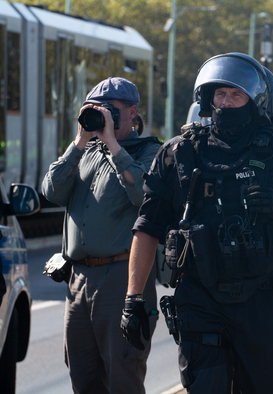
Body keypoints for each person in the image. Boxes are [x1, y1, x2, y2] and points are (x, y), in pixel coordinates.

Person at [120, 53, 273, 393]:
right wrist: (133, 298)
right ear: (207, 99)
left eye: (236, 95)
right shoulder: (178, 153)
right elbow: (147, 227)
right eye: (220, 94)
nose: (226, 102)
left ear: (254, 102)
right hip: (200, 295)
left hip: (264, 297)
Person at [41, 77, 161, 393]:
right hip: (78, 278)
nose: (102, 115)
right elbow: (52, 191)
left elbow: (143, 195)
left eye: (111, 109)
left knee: (123, 373)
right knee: (83, 375)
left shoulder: (149, 151)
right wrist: (80, 141)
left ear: (132, 112)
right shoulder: (85, 151)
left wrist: (112, 144)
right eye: (94, 109)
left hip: (122, 276)